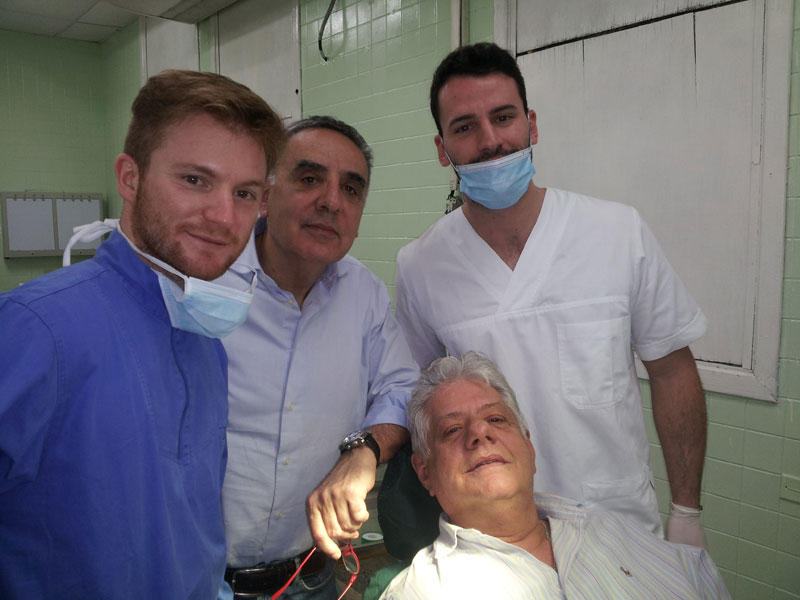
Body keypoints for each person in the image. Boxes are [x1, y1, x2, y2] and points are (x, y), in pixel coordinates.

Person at [395, 42, 709, 546]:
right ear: (441, 148)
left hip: (619, 527)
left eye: (503, 117)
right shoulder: (420, 266)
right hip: (493, 542)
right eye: (465, 127)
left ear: (532, 125)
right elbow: (422, 402)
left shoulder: (616, 232)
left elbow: (673, 371)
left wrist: (686, 511)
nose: (491, 141)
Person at [0, 70, 285, 599]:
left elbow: (193, 534)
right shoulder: (34, 330)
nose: (224, 216)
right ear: (130, 179)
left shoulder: (206, 344)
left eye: (244, 192)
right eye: (195, 180)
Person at [216, 116, 419, 599]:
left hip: (310, 579)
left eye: (351, 189)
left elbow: (402, 387)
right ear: (265, 194)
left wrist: (364, 451)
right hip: (197, 579)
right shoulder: (208, 283)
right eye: (309, 178)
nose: (331, 201)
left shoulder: (363, 295)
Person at [379, 352, 729, 599]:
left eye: (497, 419)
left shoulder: (613, 530)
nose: (480, 433)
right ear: (425, 473)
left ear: (529, 449)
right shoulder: (422, 591)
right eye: (453, 430)